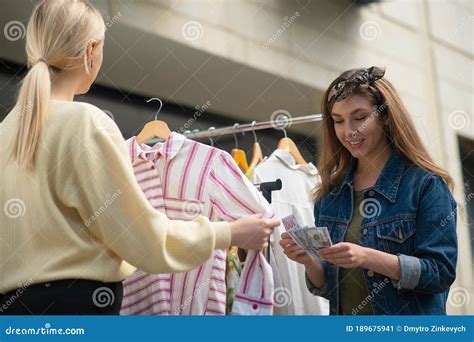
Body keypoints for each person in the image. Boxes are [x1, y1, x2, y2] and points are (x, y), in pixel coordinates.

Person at [0, 0, 279, 315]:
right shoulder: (85, 123)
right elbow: (142, 238)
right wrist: (229, 233)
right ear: (91, 51)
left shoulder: (5, 133)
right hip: (76, 307)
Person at [280, 66, 458, 315]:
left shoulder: (425, 185)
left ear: (385, 115)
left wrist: (366, 257)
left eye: (360, 117)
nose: (348, 131)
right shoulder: (331, 195)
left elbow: (440, 272)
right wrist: (309, 261)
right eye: (338, 121)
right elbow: (332, 290)